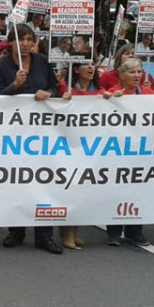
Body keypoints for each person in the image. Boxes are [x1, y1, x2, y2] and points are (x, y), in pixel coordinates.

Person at [0, 25, 63, 254]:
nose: (25, 44)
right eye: (20, 39)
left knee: (44, 180)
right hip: (15, 134)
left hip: (43, 134)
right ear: (11, 42)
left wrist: (49, 93)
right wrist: (15, 86)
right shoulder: (1, 66)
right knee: (18, 181)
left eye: (29, 39)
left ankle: (44, 235)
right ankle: (17, 230)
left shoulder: (41, 61)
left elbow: (54, 86)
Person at [104, 57, 154, 247]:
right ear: (122, 75)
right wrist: (108, 100)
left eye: (139, 72)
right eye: (132, 72)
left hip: (142, 151)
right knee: (117, 190)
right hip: (118, 151)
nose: (136, 75)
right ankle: (114, 232)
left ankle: (135, 232)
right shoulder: (112, 94)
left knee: (139, 190)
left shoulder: (151, 94)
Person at [57, 62, 103, 249]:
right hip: (69, 144)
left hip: (89, 146)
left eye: (93, 65)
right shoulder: (64, 87)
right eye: (86, 65)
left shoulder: (98, 90)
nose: (91, 68)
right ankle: (66, 232)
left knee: (83, 188)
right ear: (76, 69)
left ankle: (74, 231)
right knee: (71, 188)